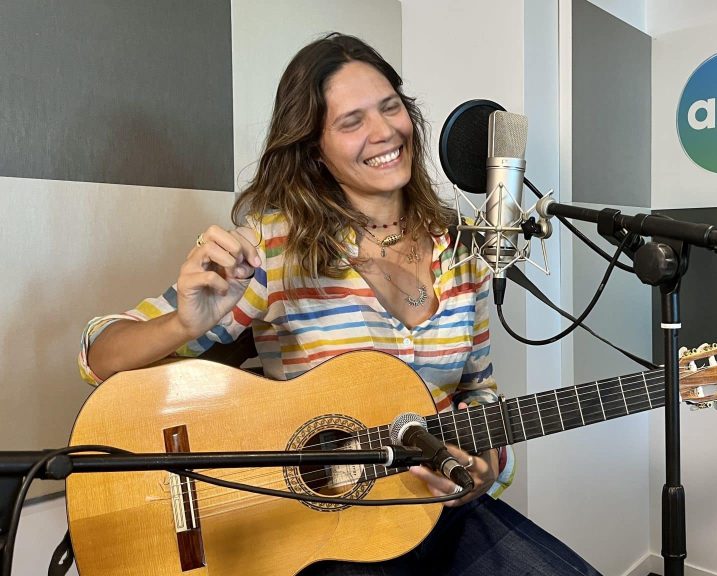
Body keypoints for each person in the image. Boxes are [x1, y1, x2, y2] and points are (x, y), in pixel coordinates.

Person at [78, 33, 601, 575]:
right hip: (319, 528)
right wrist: (185, 322)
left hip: (433, 510)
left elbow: (479, 391)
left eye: (391, 107)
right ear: (314, 148)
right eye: (352, 122)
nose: (383, 132)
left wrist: (487, 466)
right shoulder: (276, 249)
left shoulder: (464, 247)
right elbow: (100, 357)